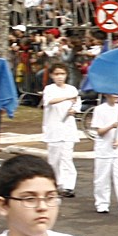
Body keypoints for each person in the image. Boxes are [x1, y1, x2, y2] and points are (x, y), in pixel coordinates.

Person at [89, 91, 118, 217]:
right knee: (102, 177)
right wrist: (112, 126)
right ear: (106, 94)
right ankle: (102, 203)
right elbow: (99, 131)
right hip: (103, 150)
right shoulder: (99, 110)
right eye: (113, 93)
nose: (116, 96)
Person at [40, 64, 81, 198]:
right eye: (57, 74)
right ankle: (56, 184)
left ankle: (68, 186)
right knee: (55, 159)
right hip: (54, 128)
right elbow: (50, 101)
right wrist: (66, 98)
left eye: (62, 74)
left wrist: (73, 110)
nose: (60, 77)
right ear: (52, 75)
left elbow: (77, 104)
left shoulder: (72, 89)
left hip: (68, 128)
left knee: (67, 158)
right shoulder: (49, 89)